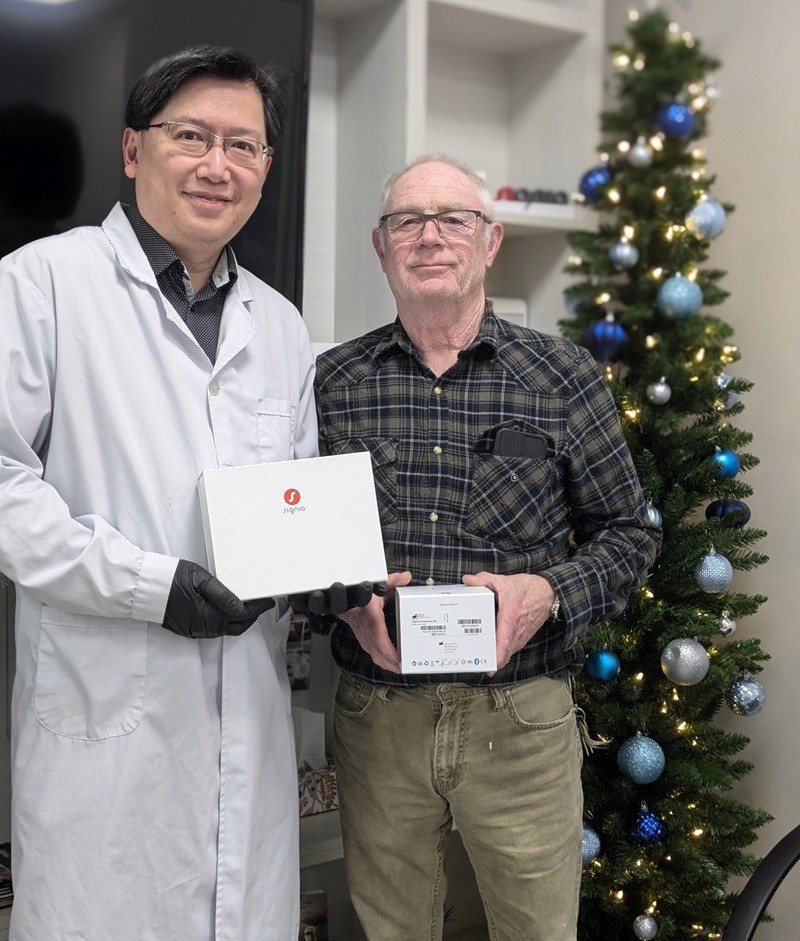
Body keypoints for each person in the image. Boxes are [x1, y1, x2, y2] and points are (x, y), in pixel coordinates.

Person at [0, 45, 320, 940]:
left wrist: (319, 574)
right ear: (134, 150)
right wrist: (149, 584)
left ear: (264, 169)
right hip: (107, 718)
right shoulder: (40, 285)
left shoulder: (280, 324)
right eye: (192, 136)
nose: (219, 165)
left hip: (247, 718)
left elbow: (292, 502)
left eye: (245, 146)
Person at [312, 154, 662, 941]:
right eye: (408, 220)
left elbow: (631, 530)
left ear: (490, 239)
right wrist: (344, 600)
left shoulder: (563, 375)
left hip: (522, 718)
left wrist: (551, 592)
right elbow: (299, 546)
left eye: (452, 219)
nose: (430, 236)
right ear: (381, 245)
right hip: (378, 717)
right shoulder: (331, 384)